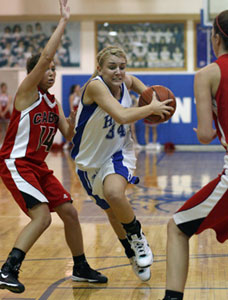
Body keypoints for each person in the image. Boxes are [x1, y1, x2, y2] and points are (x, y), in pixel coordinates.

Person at [0, 0, 107, 294]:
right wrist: (63, 21)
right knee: (43, 216)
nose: (52, 72)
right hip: (16, 163)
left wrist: (75, 121)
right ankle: (8, 269)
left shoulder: (52, 102)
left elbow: (69, 135)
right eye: (47, 68)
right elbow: (47, 53)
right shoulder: (26, 93)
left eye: (54, 69)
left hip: (38, 167)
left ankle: (81, 267)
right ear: (34, 73)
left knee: (70, 213)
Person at [71, 45, 174, 281]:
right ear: (99, 68)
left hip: (119, 151)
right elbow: (122, 115)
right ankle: (131, 254)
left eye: (122, 67)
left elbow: (133, 81)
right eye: (112, 67)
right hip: (88, 162)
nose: (118, 72)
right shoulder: (96, 86)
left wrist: (148, 93)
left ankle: (139, 240)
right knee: (110, 210)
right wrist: (151, 107)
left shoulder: (124, 80)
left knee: (115, 193)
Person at [163, 10, 228, 300]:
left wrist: (214, 118)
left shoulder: (207, 74)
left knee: (177, 228)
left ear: (215, 39)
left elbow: (204, 135)